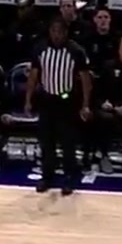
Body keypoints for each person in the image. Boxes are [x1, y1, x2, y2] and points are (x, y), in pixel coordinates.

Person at [27, 16, 90, 195]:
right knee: (46, 141)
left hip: (67, 101)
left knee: (68, 142)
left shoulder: (76, 51)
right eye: (53, 31)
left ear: (66, 33)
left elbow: (86, 80)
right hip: (47, 100)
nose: (56, 35)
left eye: (60, 32)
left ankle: (69, 177)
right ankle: (47, 176)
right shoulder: (40, 48)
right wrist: (28, 99)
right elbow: (33, 75)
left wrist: (85, 104)